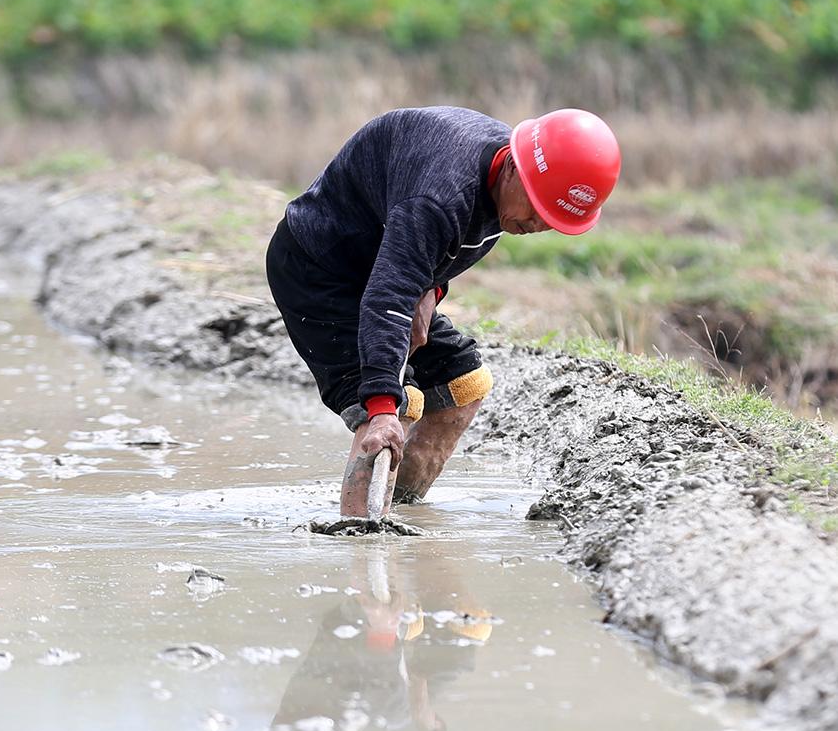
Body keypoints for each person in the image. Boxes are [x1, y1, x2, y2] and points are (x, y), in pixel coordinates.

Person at [266, 105, 620, 517]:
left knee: (463, 384)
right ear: (513, 169)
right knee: (393, 407)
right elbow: (389, 294)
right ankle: (360, 539)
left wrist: (431, 288)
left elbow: (429, 253)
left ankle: (401, 509)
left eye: (553, 220)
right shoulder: (441, 196)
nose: (539, 225)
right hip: (320, 269)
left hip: (385, 264)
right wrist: (382, 406)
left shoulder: (504, 183)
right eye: (539, 208)